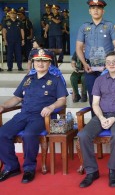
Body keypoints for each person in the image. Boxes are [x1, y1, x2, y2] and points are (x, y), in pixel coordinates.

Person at [0, 49, 67, 183]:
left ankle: (29, 168)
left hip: (42, 116)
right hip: (24, 114)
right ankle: (11, 166)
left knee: (29, 134)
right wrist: (4, 106)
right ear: (33, 63)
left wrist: (51, 107)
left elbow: (62, 100)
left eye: (44, 61)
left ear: (49, 64)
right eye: (37, 61)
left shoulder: (55, 79)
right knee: (2, 133)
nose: (40, 64)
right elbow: (17, 98)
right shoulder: (27, 79)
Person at [77, 51, 115, 188]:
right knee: (83, 135)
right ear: (105, 64)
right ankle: (92, 171)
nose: (111, 64)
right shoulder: (99, 80)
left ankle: (112, 171)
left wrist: (114, 118)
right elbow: (95, 103)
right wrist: (101, 117)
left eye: (114, 61)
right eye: (108, 62)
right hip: (101, 115)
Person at [76, 0, 115, 106]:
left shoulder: (109, 26)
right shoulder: (84, 27)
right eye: (93, 8)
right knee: (93, 95)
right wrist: (84, 64)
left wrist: (111, 63)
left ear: (103, 11)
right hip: (89, 66)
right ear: (89, 11)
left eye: (98, 8)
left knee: (109, 94)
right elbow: (79, 47)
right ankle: (95, 120)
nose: (96, 10)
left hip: (106, 67)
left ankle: (109, 120)